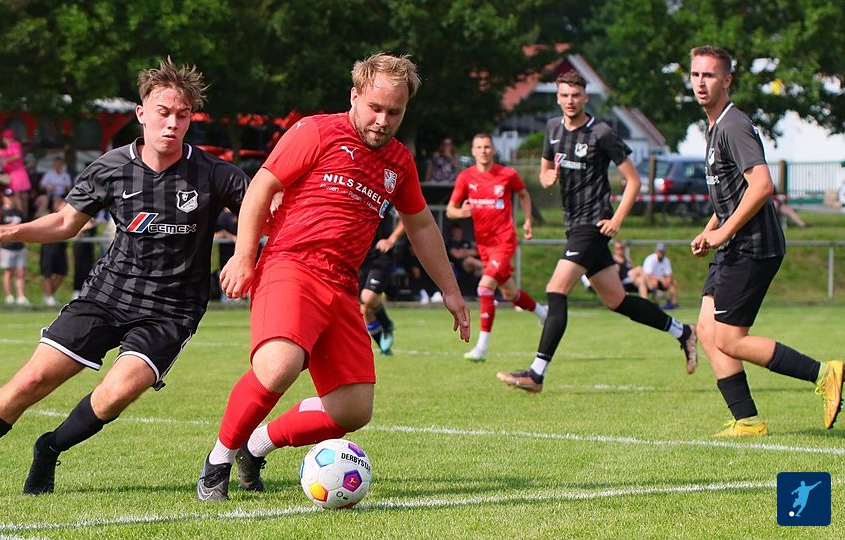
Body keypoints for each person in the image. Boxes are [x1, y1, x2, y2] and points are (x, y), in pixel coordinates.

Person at [0, 58, 250, 499]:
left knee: (116, 393)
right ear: (141, 113)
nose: (172, 123)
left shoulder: (215, 173)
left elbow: (262, 207)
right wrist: (12, 231)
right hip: (107, 295)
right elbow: (66, 223)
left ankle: (50, 447)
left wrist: (246, 254)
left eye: (182, 115)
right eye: (163, 112)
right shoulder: (111, 167)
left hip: (171, 310)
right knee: (31, 381)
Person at [196, 52, 470, 502]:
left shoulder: (399, 162)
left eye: (395, 112)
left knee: (353, 409)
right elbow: (261, 186)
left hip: (342, 285)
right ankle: (217, 462)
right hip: (290, 265)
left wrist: (451, 290)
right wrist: (244, 255)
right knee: (279, 365)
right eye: (375, 108)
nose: (382, 120)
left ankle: (256, 446)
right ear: (354, 96)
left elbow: (421, 225)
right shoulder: (316, 131)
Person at [496, 70, 698, 393]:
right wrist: (547, 178)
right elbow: (546, 170)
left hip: (594, 224)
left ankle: (536, 373)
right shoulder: (553, 129)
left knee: (556, 289)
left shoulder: (601, 132)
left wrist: (617, 219)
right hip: (573, 224)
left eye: (576, 95)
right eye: (564, 95)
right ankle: (683, 332)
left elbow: (634, 181)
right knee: (617, 300)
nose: (570, 101)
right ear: (558, 97)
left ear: (585, 97)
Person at [687, 46, 842, 436]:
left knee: (729, 339)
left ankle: (825, 373)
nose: (701, 83)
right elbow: (732, 193)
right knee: (706, 328)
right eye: (695, 75)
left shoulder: (733, 125)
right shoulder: (713, 127)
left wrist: (723, 232)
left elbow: (761, 185)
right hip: (732, 243)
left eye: (709, 75)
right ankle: (748, 421)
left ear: (727, 80)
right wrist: (710, 229)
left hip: (753, 245)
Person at [447, 133, 546, 362]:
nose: (483, 150)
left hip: (505, 240)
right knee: (510, 293)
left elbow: (524, 195)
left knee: (484, 288)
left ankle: (482, 347)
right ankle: (544, 314)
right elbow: (451, 209)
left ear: (493, 150)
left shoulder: (507, 174)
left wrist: (527, 221)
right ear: (473, 151)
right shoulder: (466, 177)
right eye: (479, 147)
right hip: (484, 245)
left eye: (487, 147)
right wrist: (460, 212)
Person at [360, 209, 405, 355]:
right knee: (364, 309)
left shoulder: (387, 198)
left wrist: (391, 240)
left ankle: (387, 325)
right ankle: (384, 348)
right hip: (360, 256)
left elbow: (406, 218)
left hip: (381, 255)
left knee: (368, 297)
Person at [0, 192, 29, 305]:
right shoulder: (1, 212)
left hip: (19, 246)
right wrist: (10, 226)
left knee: (20, 272)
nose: (10, 199)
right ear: (4, 198)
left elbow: (25, 227)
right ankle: (9, 296)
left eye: (11, 197)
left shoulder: (18, 212)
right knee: (8, 272)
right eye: (8, 197)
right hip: (7, 247)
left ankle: (21, 295)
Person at [0, 129, 33, 218]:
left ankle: (21, 217)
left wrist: (6, 160)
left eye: (8, 138)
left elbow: (17, 156)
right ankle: (24, 217)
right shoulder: (8, 148)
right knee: (22, 196)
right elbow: (2, 153)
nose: (7, 140)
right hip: (16, 174)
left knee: (17, 196)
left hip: (17, 174)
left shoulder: (15, 145)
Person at [641, 242, 679, 309]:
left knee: (673, 282)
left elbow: (669, 274)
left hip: (661, 281)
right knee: (654, 282)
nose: (661, 253)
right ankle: (655, 303)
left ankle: (674, 303)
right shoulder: (650, 259)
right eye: (659, 251)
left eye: (662, 251)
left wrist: (668, 281)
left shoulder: (666, 260)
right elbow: (648, 275)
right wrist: (660, 279)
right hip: (649, 281)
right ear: (656, 251)